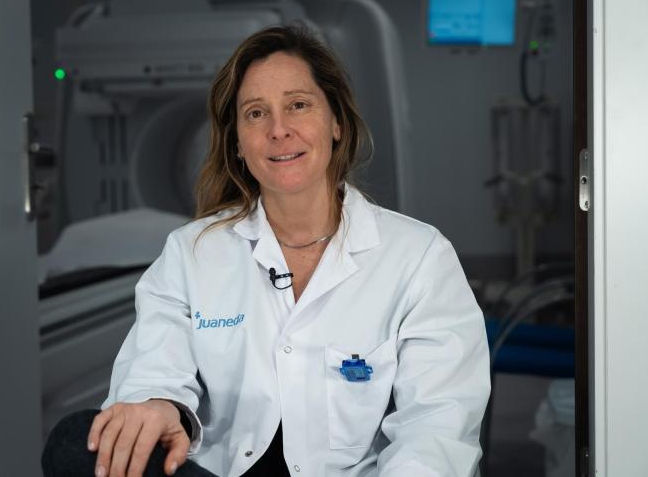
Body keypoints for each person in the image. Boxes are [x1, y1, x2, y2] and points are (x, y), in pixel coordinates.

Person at [42, 24, 490, 477]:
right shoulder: (192, 252)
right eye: (256, 113)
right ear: (237, 142)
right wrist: (159, 405)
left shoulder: (418, 257)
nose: (279, 130)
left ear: (336, 123)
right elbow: (153, 366)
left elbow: (435, 427)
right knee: (76, 442)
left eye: (298, 105)